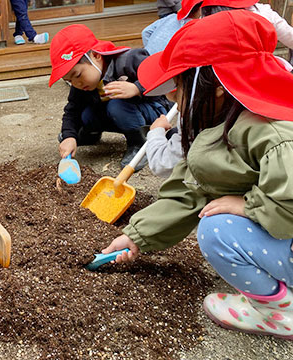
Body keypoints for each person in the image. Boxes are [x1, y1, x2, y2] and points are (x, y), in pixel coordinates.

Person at [101, 10, 293, 339]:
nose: (173, 94)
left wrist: (249, 206)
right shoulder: (221, 126)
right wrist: (138, 236)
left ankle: (278, 312)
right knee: (217, 215)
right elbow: (190, 190)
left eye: (180, 82)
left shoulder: (273, 131)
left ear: (216, 85)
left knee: (217, 228)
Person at [147, 0, 292, 178]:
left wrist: (246, 205)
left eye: (178, 85)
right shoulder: (272, 89)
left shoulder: (274, 139)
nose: (171, 97)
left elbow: (166, 164)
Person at [49, 24, 171, 170]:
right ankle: (90, 134)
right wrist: (69, 136)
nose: (76, 83)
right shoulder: (81, 85)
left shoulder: (128, 60)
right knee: (86, 112)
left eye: (78, 75)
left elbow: (161, 76)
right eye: (69, 81)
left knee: (117, 105)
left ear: (96, 56)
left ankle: (139, 143)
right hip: (118, 114)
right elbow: (72, 110)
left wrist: (137, 88)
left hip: (153, 111)